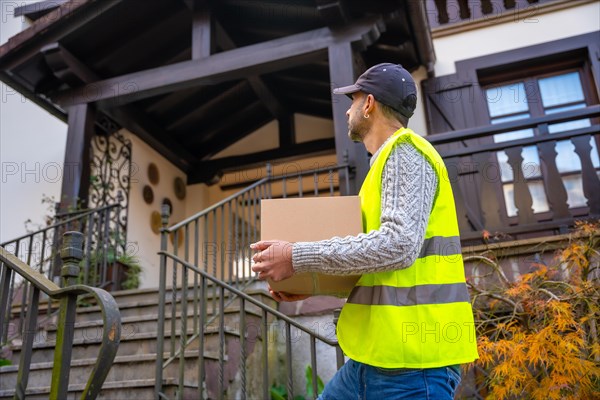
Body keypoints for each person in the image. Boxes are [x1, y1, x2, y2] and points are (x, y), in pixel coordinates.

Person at [251, 63, 479, 399]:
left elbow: (399, 246)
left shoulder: (405, 152)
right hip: (371, 361)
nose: (348, 111)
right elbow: (385, 274)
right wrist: (312, 284)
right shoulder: (384, 166)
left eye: (353, 101)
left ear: (369, 104)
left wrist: (296, 256)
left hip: (414, 367)